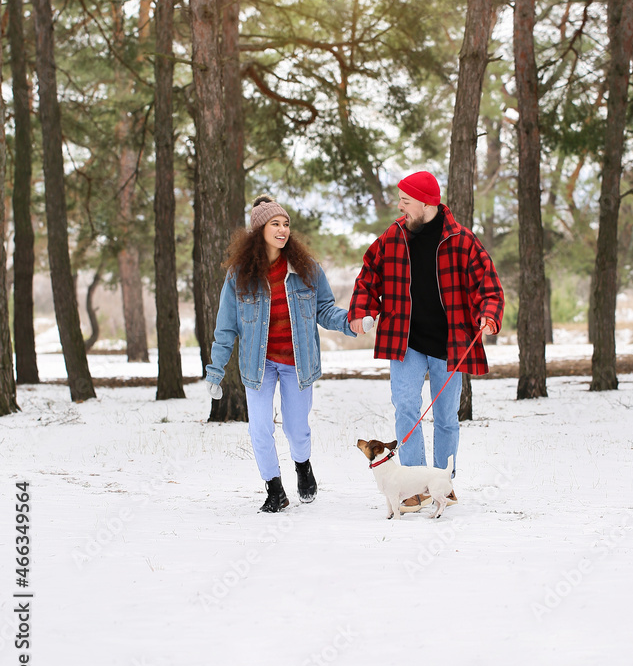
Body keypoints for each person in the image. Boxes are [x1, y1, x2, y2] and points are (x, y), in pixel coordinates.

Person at [348, 171, 504, 511]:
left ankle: (442, 484)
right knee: (406, 408)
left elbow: (487, 283)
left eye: (406, 201)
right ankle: (414, 488)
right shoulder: (394, 237)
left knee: (446, 417)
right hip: (406, 340)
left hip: (449, 343)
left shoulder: (461, 240)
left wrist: (489, 314)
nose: (400, 206)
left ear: (426, 203)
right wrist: (360, 311)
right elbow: (368, 276)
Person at [206, 195, 356, 513]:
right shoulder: (239, 275)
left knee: (296, 428)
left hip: (297, 364)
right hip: (258, 365)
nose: (283, 229)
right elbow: (226, 328)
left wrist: (351, 323)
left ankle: (303, 466)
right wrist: (216, 369)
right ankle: (275, 489)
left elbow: (326, 310)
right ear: (259, 230)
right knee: (259, 428)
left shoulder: (306, 270)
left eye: (286, 224)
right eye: (275, 223)